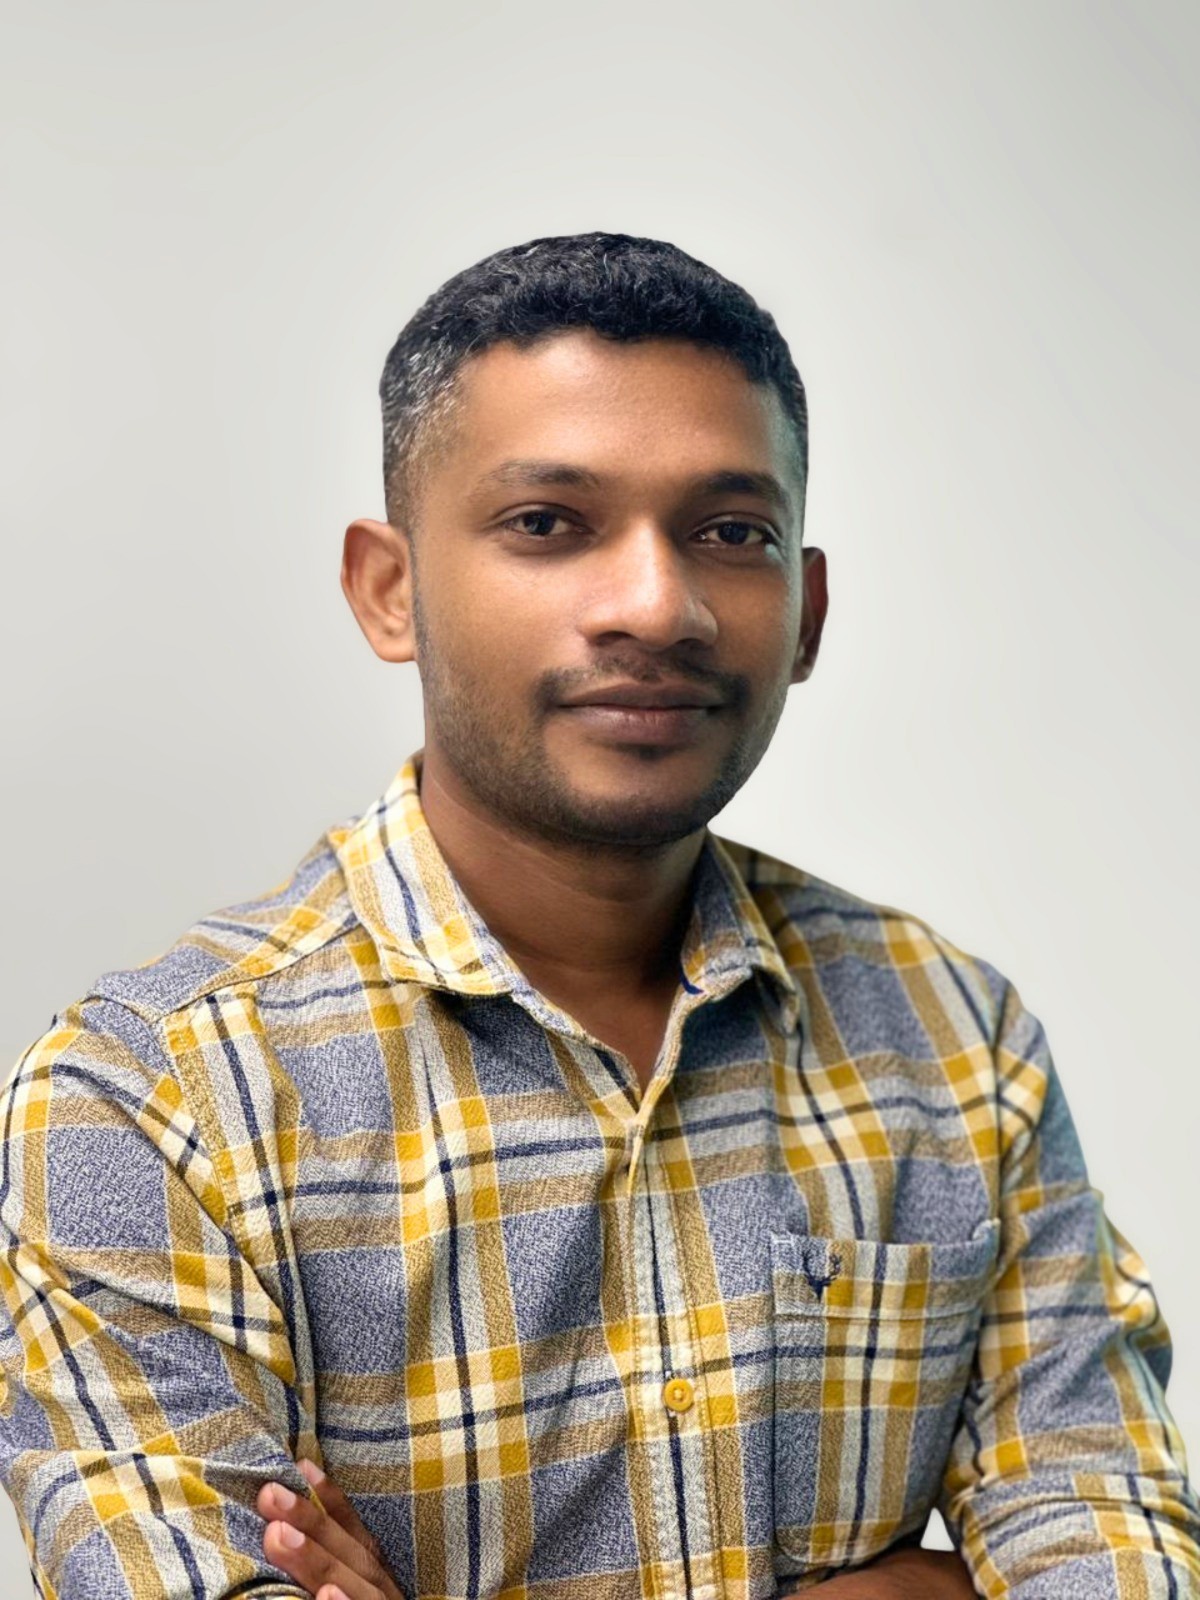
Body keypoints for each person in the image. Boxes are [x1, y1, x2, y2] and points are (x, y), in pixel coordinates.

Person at [0, 232, 1196, 1600]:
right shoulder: (148, 1103)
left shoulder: (957, 1040)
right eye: (548, 524)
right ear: (391, 590)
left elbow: (1112, 1544)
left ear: (806, 611)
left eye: (730, 533)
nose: (657, 605)